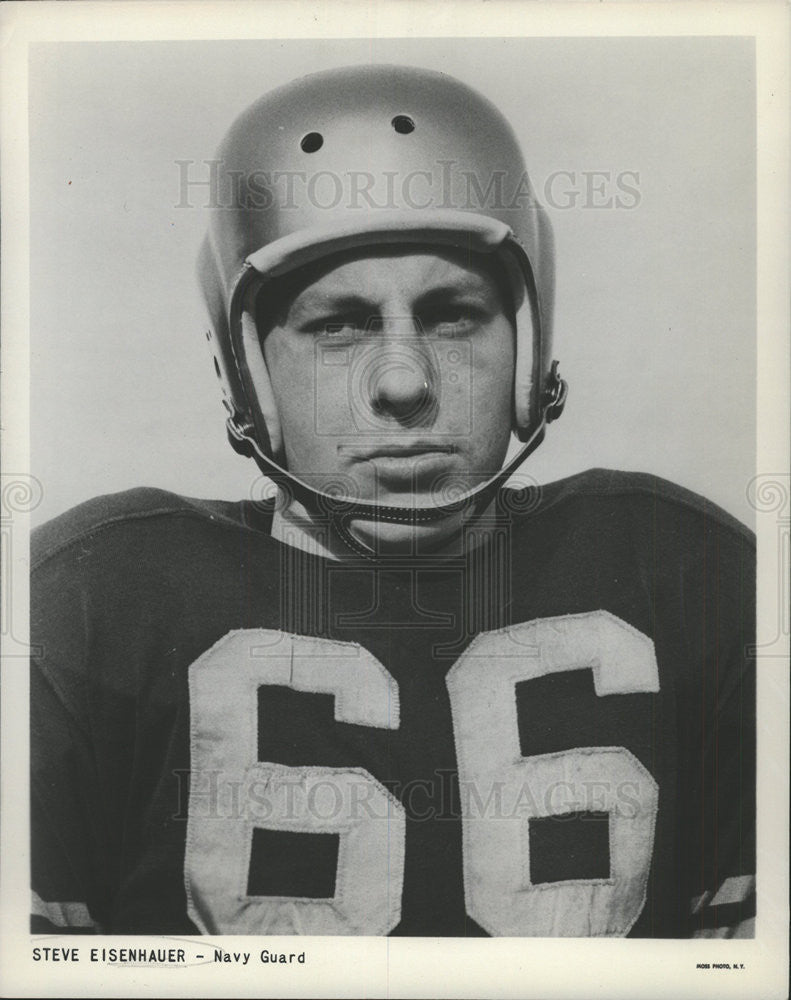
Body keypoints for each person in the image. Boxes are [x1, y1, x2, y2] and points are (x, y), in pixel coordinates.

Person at [30, 64, 755, 937]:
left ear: (529, 339)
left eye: (452, 314)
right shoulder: (95, 596)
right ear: (249, 368)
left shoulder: (681, 570)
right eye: (338, 325)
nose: (403, 382)